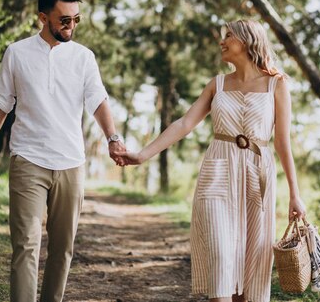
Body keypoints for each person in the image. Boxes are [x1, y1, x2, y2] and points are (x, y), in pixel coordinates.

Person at [118, 19, 306, 302]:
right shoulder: (217, 84)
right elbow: (184, 124)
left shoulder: (275, 85)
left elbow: (282, 142)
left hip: (257, 175)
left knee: (252, 261)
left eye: (228, 36)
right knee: (220, 253)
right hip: (217, 170)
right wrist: (142, 155)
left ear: (247, 41)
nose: (222, 41)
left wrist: (295, 194)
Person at [0, 0, 126, 302]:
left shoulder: (84, 58)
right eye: (63, 20)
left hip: (71, 162)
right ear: (43, 17)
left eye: (76, 19)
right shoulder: (17, 53)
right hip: (28, 159)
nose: (70, 26)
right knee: (26, 245)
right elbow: (1, 103)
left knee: (62, 248)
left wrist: (113, 139)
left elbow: (97, 101)